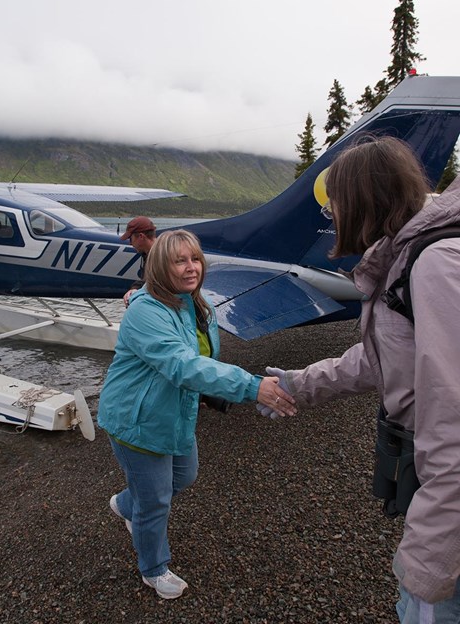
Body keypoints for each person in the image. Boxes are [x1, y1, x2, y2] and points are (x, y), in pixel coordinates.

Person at [262, 137, 460, 623]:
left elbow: (453, 422)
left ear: (366, 201)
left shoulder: (432, 262)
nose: (334, 218)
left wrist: (427, 565)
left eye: (338, 206)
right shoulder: (409, 253)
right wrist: (298, 382)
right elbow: (384, 357)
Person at [97, 229, 296, 599]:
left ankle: (126, 504)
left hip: (175, 411)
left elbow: (200, 360)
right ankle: (153, 569)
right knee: (155, 500)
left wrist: (210, 394)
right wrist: (252, 387)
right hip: (135, 419)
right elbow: (182, 364)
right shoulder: (145, 311)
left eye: (195, 259)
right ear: (160, 266)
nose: (192, 268)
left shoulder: (194, 304)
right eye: (180, 261)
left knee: (183, 477)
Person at [120, 216, 156, 307]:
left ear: (141, 236)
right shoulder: (149, 253)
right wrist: (135, 288)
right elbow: (148, 280)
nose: (130, 243)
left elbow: (157, 284)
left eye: (131, 239)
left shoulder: (161, 255)